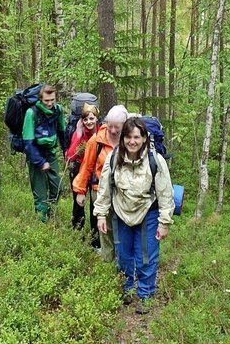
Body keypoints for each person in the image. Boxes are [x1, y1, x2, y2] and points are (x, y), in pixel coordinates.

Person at [94, 117, 174, 314]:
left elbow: (165, 193)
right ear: (122, 138)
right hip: (121, 213)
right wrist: (101, 215)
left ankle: (146, 295)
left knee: (146, 256)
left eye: (137, 137)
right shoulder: (114, 158)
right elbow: (104, 189)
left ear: (145, 138)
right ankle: (126, 289)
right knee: (123, 255)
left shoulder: (156, 161)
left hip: (148, 212)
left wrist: (164, 223)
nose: (132, 141)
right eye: (128, 137)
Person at [72, 105, 128, 258]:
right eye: (110, 126)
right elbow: (86, 168)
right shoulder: (96, 141)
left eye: (118, 127)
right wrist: (80, 191)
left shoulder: (130, 140)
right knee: (104, 227)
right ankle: (107, 258)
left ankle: (122, 259)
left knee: (123, 226)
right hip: (100, 190)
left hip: (124, 192)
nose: (114, 130)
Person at [22, 84, 66, 222]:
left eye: (52, 99)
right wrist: (41, 162)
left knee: (58, 187)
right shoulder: (31, 113)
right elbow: (28, 143)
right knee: (40, 195)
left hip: (51, 154)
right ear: (40, 99)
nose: (50, 103)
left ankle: (51, 212)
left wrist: (66, 152)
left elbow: (62, 132)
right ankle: (42, 223)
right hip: (36, 156)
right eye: (46, 100)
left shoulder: (58, 110)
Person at [65, 103, 100, 231]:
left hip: (96, 170)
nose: (89, 122)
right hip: (79, 169)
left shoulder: (101, 132)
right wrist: (79, 134)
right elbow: (70, 155)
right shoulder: (79, 132)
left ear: (96, 118)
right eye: (85, 119)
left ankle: (95, 238)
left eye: (91, 118)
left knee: (95, 203)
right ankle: (77, 232)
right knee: (78, 202)